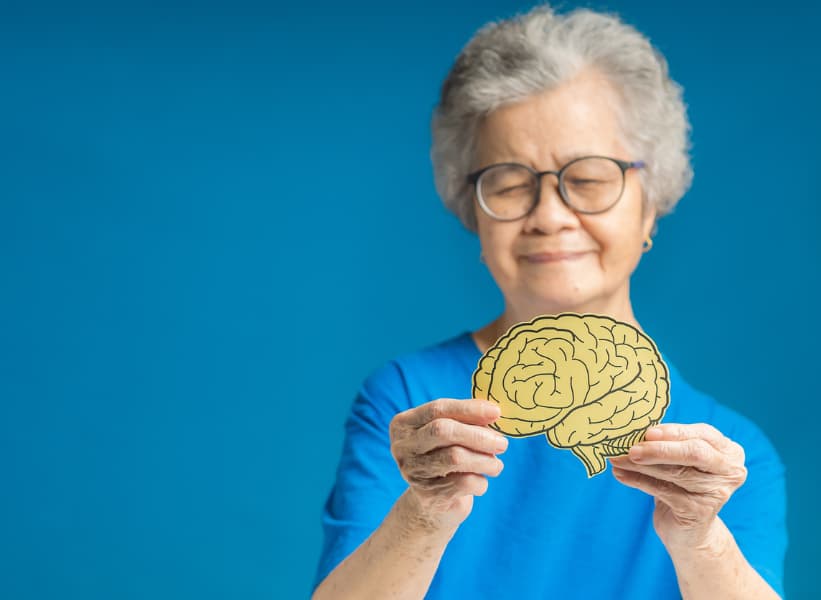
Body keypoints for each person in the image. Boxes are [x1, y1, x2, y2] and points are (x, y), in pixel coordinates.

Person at [311, 6, 787, 599]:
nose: (550, 216)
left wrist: (701, 539)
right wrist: (424, 513)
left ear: (651, 204)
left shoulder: (728, 458)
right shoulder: (410, 404)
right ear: (473, 214)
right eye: (509, 184)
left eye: (588, 179)